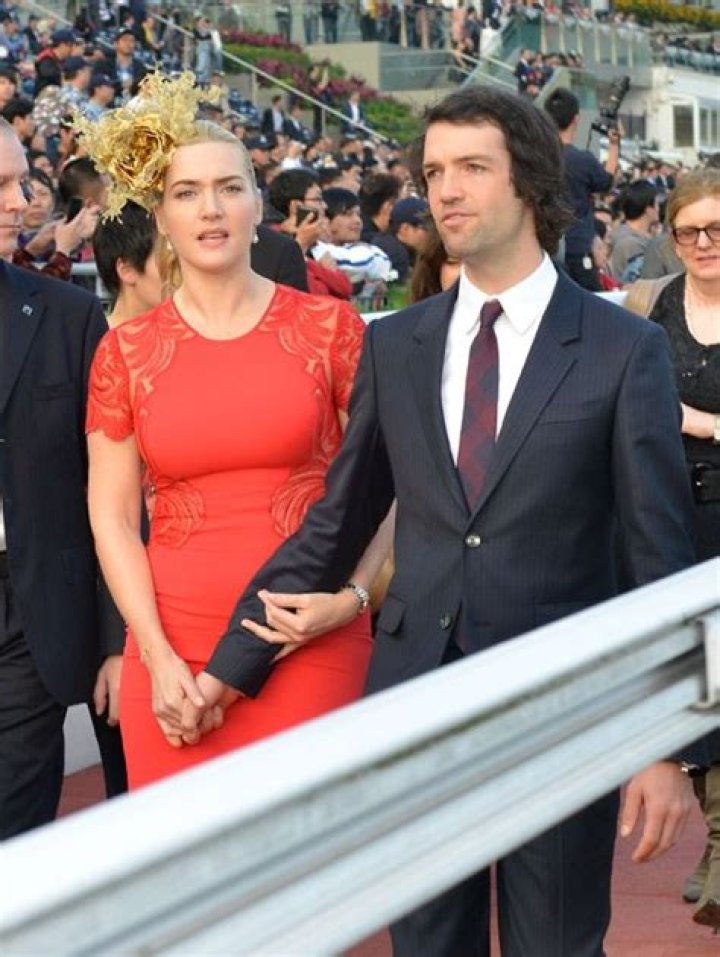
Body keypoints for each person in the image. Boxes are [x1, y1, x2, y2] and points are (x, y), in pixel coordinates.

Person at [194, 86, 697, 957]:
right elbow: (338, 520)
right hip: (417, 701)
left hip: (561, 707)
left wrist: (667, 743)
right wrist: (227, 666)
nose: (446, 191)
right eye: (433, 172)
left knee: (556, 944)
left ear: (533, 185)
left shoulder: (623, 347)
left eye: (472, 168)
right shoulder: (396, 343)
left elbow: (660, 556)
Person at [79, 73, 387, 789]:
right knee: (187, 885)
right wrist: (154, 656)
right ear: (161, 216)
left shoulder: (330, 329)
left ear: (259, 206)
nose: (210, 209)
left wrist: (353, 597)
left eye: (229, 187)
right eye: (186, 192)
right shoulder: (123, 351)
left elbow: (385, 487)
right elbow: (113, 518)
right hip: (173, 653)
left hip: (310, 635)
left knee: (315, 873)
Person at [0, 118, 124, 838]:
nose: (22, 202)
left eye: (23, 182)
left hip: (28, 611)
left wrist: (114, 641)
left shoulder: (69, 318)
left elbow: (108, 495)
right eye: (3, 186)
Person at [625, 167, 720, 930]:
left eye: (716, 230)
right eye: (689, 230)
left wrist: (703, 422)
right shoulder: (657, 305)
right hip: (671, 514)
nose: (702, 244)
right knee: (696, 674)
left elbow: (674, 411)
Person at [544, 87, 619, 291]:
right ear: (576, 119)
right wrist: (614, 145)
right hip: (578, 249)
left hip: (541, 250)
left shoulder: (536, 158)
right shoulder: (582, 160)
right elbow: (607, 182)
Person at [609, 180, 660, 285]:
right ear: (648, 209)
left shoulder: (624, 234)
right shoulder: (630, 243)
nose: (659, 209)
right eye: (656, 204)